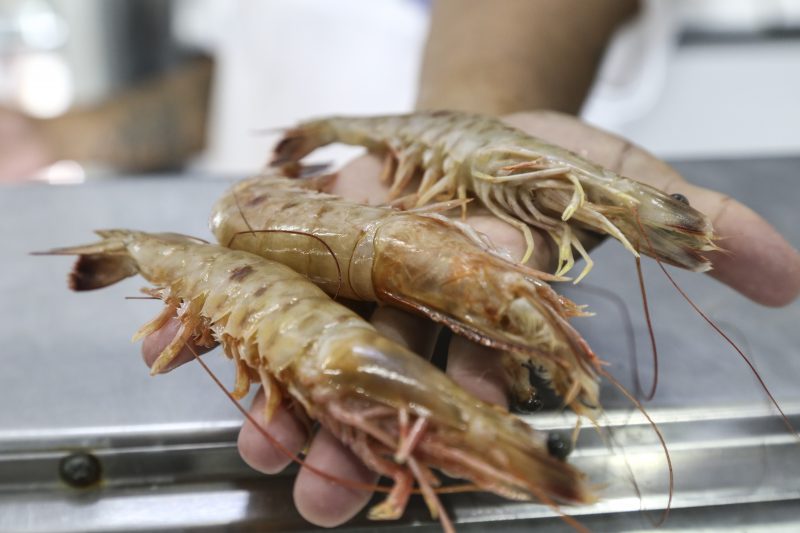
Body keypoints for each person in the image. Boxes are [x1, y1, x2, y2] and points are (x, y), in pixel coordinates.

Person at [9, 0, 800, 527]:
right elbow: (236, 71)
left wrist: (464, 111)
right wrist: (63, 136)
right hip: (261, 216)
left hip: (337, 200)